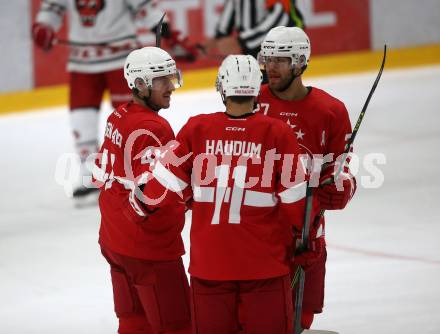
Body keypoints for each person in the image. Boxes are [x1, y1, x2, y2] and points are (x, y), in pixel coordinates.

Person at [144, 54, 311, 334]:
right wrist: (303, 242)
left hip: (209, 267)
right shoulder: (277, 132)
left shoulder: (197, 128)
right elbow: (297, 203)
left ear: (221, 87)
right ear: (258, 89)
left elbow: (158, 191)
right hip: (265, 267)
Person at [32, 0, 194, 203]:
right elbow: (52, 9)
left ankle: (145, 170)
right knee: (81, 119)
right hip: (81, 62)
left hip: (121, 60)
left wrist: (167, 32)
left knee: (134, 120)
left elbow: (145, 8)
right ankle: (91, 174)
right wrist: (43, 26)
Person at [256, 26, 357, 329]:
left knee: (300, 320)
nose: (270, 67)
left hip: (306, 237)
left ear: (300, 63)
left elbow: (342, 171)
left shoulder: (331, 111)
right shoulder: (249, 102)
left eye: (281, 60)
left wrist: (343, 188)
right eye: (267, 59)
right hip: (255, 235)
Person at [92, 46, 191, 334]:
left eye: (170, 78)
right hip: (147, 250)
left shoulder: (119, 115)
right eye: (162, 80)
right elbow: (152, 195)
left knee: (134, 323)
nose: (171, 86)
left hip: (114, 240)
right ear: (139, 84)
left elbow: (100, 173)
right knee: (177, 325)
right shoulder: (153, 127)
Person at [204, 0, 304, 59]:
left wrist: (241, 41)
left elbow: (280, 17)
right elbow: (233, 4)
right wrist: (220, 35)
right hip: (250, 51)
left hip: (278, 50)